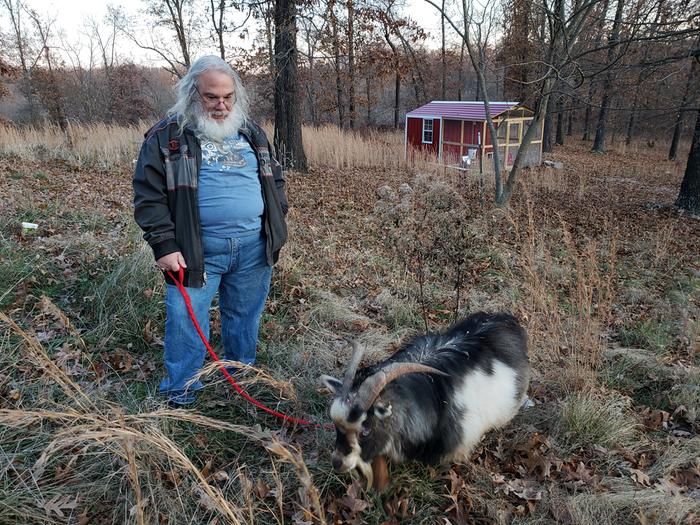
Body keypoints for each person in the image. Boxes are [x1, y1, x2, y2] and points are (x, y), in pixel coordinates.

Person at [133, 55, 288, 406]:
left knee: (244, 318)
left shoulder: (252, 132)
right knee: (186, 322)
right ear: (192, 94)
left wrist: (278, 216)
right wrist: (164, 244)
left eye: (228, 96)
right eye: (211, 97)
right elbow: (148, 196)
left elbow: (274, 180)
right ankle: (182, 391)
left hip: (254, 248)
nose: (221, 105)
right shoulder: (166, 137)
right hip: (193, 250)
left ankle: (241, 378)